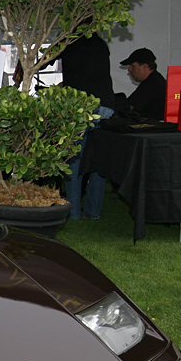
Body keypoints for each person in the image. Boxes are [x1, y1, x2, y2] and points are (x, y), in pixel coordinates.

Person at [57, 30, 115, 220]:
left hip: (79, 105)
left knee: (74, 160)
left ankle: (73, 212)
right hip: (105, 104)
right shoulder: (100, 44)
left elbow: (47, 59)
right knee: (99, 162)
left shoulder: (68, 43)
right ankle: (93, 212)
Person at [118, 47, 166, 121]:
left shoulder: (151, 83)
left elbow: (129, 106)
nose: (129, 69)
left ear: (145, 67)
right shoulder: (154, 80)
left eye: (132, 66)